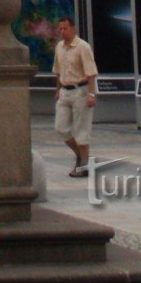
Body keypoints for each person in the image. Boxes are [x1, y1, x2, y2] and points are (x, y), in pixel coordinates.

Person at [52, 15, 98, 177]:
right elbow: (57, 70)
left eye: (65, 28)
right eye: (60, 29)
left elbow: (91, 72)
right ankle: (81, 155)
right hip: (65, 90)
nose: (62, 32)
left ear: (73, 29)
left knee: (81, 129)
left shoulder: (82, 47)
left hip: (81, 90)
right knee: (61, 128)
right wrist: (57, 89)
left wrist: (92, 94)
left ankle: (84, 165)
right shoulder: (59, 47)